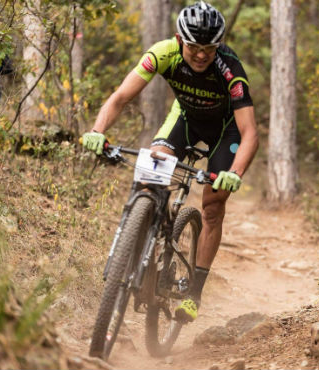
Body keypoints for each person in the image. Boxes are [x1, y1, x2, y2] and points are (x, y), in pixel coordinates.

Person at [83, 1, 259, 323]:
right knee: (152, 170)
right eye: (193, 46)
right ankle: (145, 234)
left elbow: (250, 134)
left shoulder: (231, 71)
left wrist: (235, 173)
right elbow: (121, 97)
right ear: (180, 40)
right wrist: (97, 131)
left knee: (213, 205)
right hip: (186, 119)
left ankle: (194, 293)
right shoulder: (162, 53)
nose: (202, 54)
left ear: (218, 45)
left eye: (209, 47)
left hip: (226, 130)